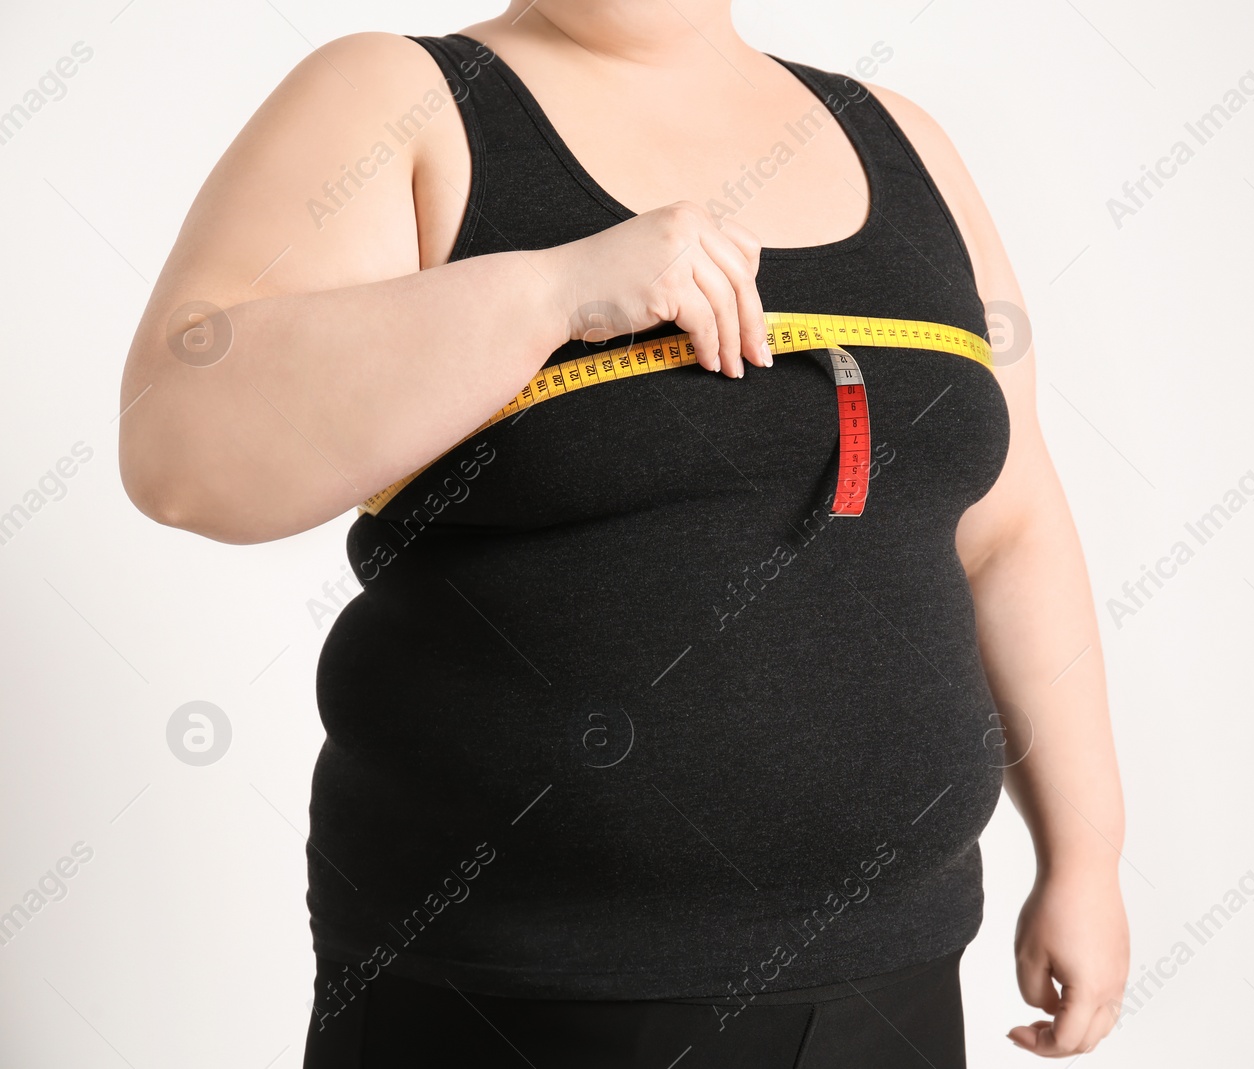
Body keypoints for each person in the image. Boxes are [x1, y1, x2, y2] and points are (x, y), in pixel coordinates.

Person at [117, 2, 1129, 1064]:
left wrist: (1085, 853)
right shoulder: (396, 99)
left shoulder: (901, 137)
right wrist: (552, 292)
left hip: (889, 980)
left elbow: (1007, 527)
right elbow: (180, 452)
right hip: (518, 993)